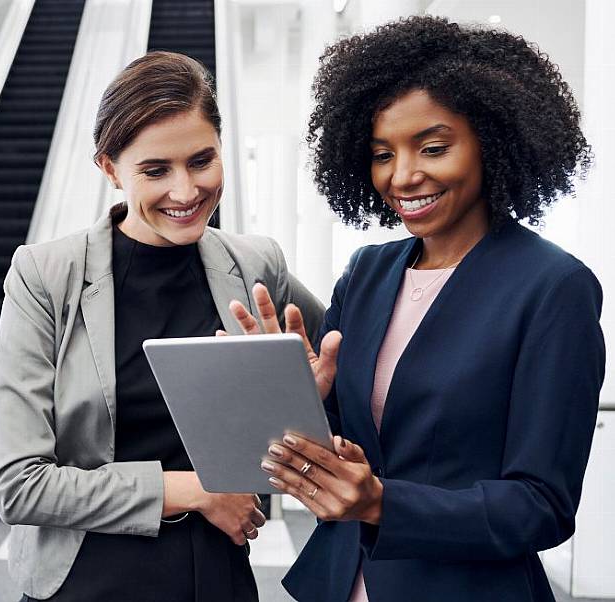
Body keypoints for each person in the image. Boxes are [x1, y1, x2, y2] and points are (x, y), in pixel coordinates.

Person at [240, 16, 604, 601]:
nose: (403, 176)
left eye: (433, 148)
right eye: (383, 154)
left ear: (493, 140)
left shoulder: (552, 287)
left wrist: (384, 503)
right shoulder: (368, 272)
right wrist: (297, 399)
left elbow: (542, 505)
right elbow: (347, 449)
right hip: (343, 582)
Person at [0, 51, 323, 602]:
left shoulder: (256, 265)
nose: (186, 192)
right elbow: (20, 486)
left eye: (201, 160)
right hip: (86, 576)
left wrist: (304, 400)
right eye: (155, 170)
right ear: (109, 168)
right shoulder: (46, 275)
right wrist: (197, 491)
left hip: (215, 574)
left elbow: (340, 372)